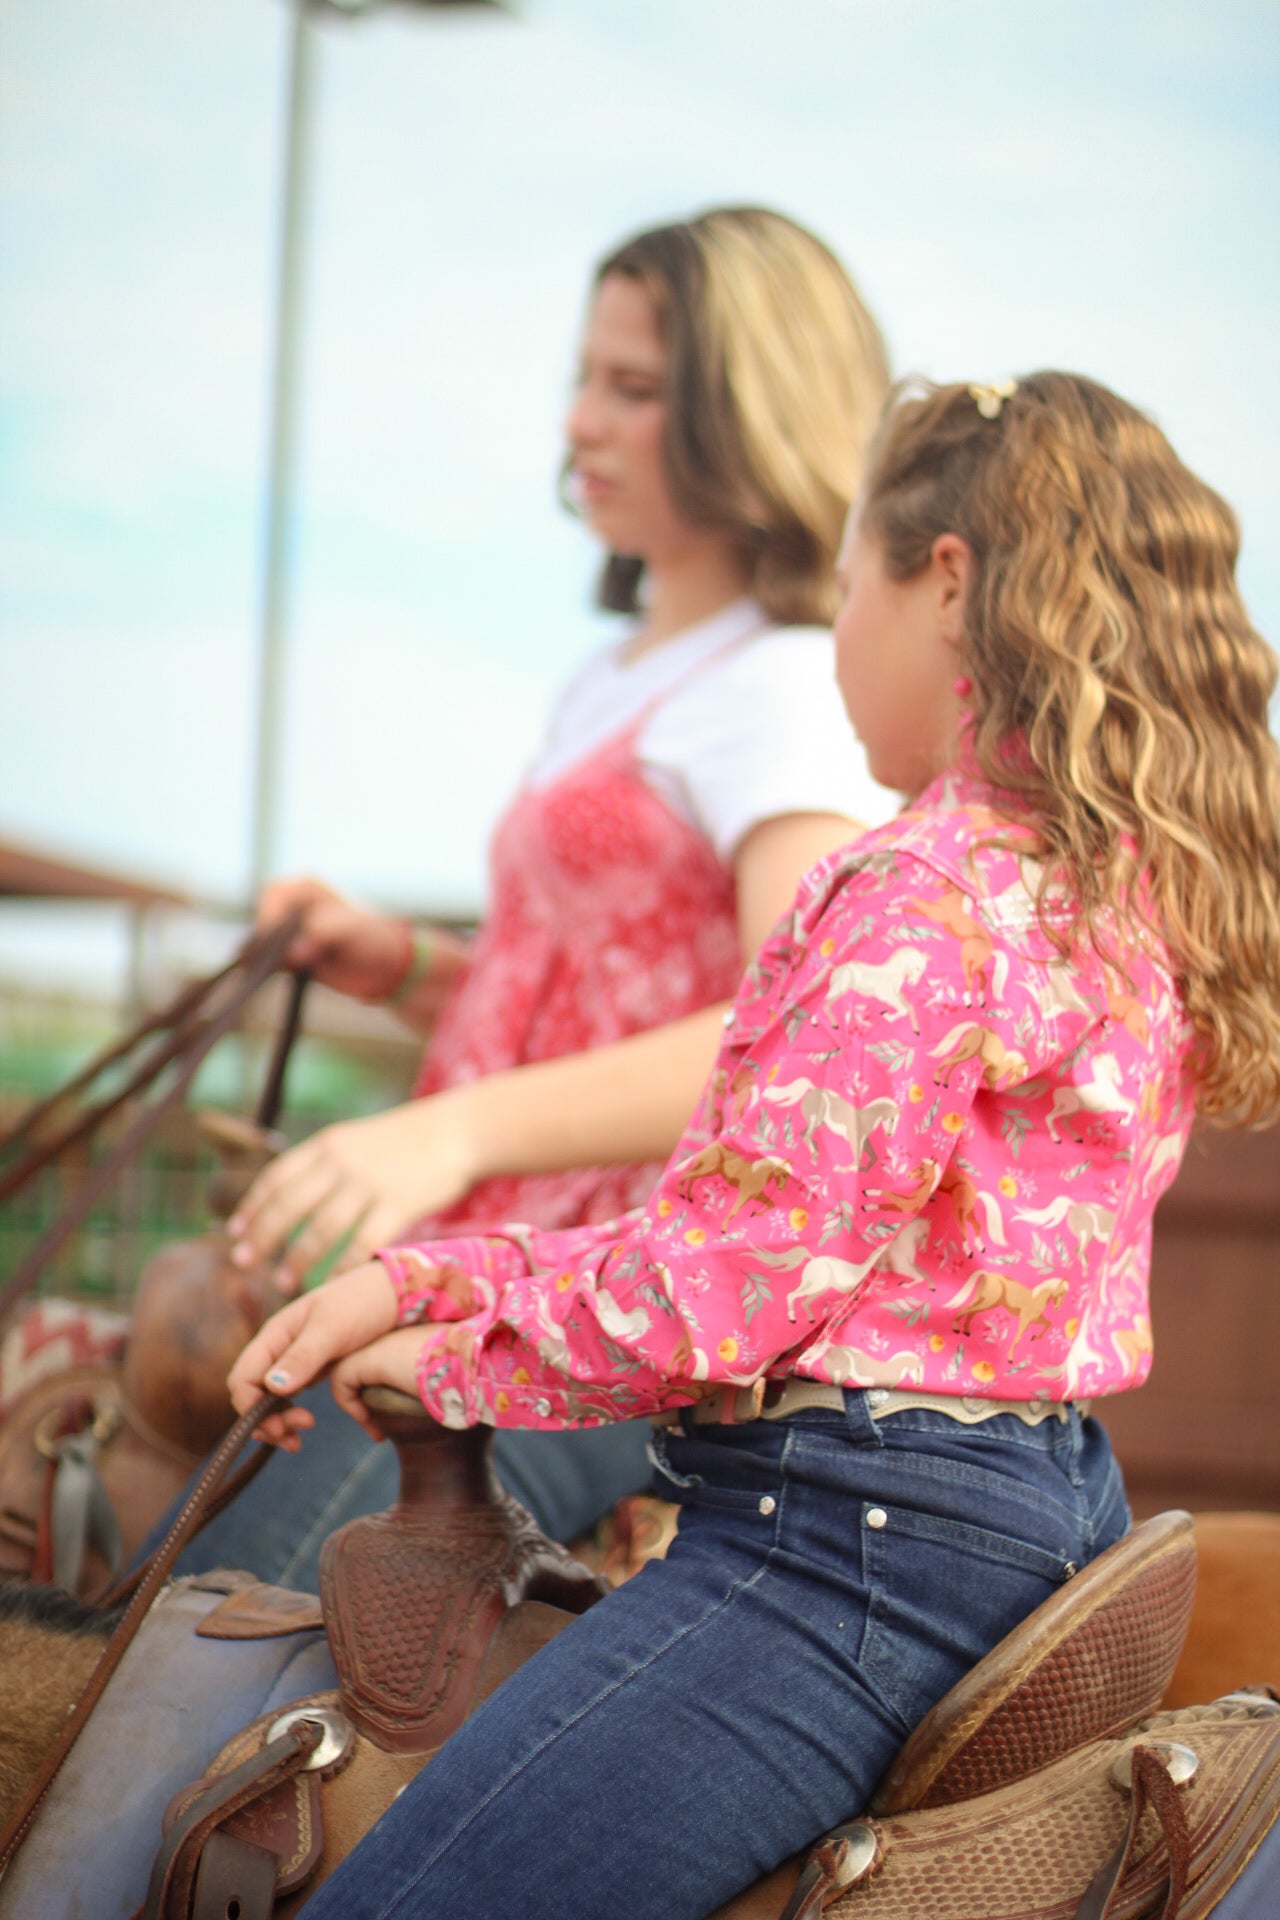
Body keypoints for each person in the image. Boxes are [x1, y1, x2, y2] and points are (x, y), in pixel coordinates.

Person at [230, 369, 1280, 1919]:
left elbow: (720, 1289)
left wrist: (424, 1302)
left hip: (846, 1556)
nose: (833, 630)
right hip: (1052, 1502)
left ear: (945, 581)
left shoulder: (917, 890)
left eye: (851, 576)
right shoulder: (1129, 887)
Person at [170, 206, 898, 1577]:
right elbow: (594, 987)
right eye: (582, 380)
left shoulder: (786, 681)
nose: (579, 424)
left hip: (629, 1297)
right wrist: (404, 965)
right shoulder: (616, 674)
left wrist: (444, 1135)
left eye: (631, 390)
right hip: (496, 1260)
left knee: (217, 1600)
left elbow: (796, 1032)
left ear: (751, 412)